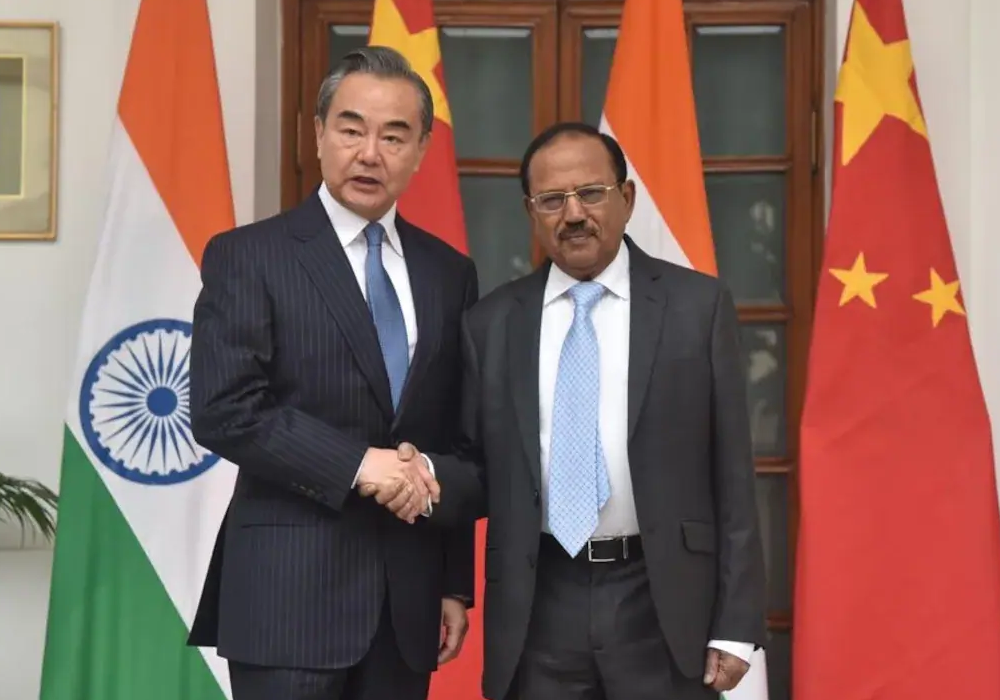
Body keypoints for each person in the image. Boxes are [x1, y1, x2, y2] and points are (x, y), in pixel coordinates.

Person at [378, 122, 768, 700]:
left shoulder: (697, 307)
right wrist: (426, 476)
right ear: (531, 212)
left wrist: (736, 624)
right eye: (552, 200)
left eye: (590, 193)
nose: (574, 214)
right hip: (540, 601)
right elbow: (476, 465)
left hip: (662, 600)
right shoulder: (492, 324)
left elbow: (732, 474)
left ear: (626, 198)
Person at [186, 46, 478, 700]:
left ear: (421, 149)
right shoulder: (249, 256)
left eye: (394, 136)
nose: (370, 153)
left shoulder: (449, 274)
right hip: (287, 600)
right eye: (351, 129)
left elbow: (456, 436)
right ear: (318, 134)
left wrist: (453, 582)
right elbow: (225, 409)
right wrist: (359, 464)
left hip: (407, 606)